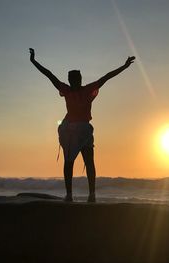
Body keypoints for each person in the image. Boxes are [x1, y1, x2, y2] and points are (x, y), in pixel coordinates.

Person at [29, 48, 135, 202]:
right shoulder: (79, 90)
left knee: (81, 163)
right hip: (76, 131)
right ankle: (76, 195)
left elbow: (106, 77)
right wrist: (34, 61)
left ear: (77, 79)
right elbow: (49, 75)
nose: (76, 80)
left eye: (77, 78)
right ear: (73, 79)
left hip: (80, 131)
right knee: (78, 163)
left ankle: (85, 195)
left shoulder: (78, 90)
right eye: (74, 78)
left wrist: (124, 67)